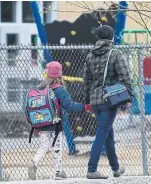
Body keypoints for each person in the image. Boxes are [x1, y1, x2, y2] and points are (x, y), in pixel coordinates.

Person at [83, 25, 133, 179]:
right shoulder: (115, 53)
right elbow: (125, 76)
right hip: (109, 100)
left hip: (95, 100)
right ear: (112, 37)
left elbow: (86, 80)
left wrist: (87, 101)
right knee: (102, 133)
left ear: (98, 38)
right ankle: (92, 169)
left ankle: (116, 168)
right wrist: (129, 96)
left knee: (108, 133)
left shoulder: (90, 55)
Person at [27, 61, 92, 180]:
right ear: (59, 75)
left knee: (44, 145)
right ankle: (58, 171)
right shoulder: (59, 89)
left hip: (42, 122)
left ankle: (34, 162)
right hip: (55, 123)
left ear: (47, 74)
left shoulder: (40, 88)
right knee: (57, 147)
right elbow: (70, 106)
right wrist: (85, 107)